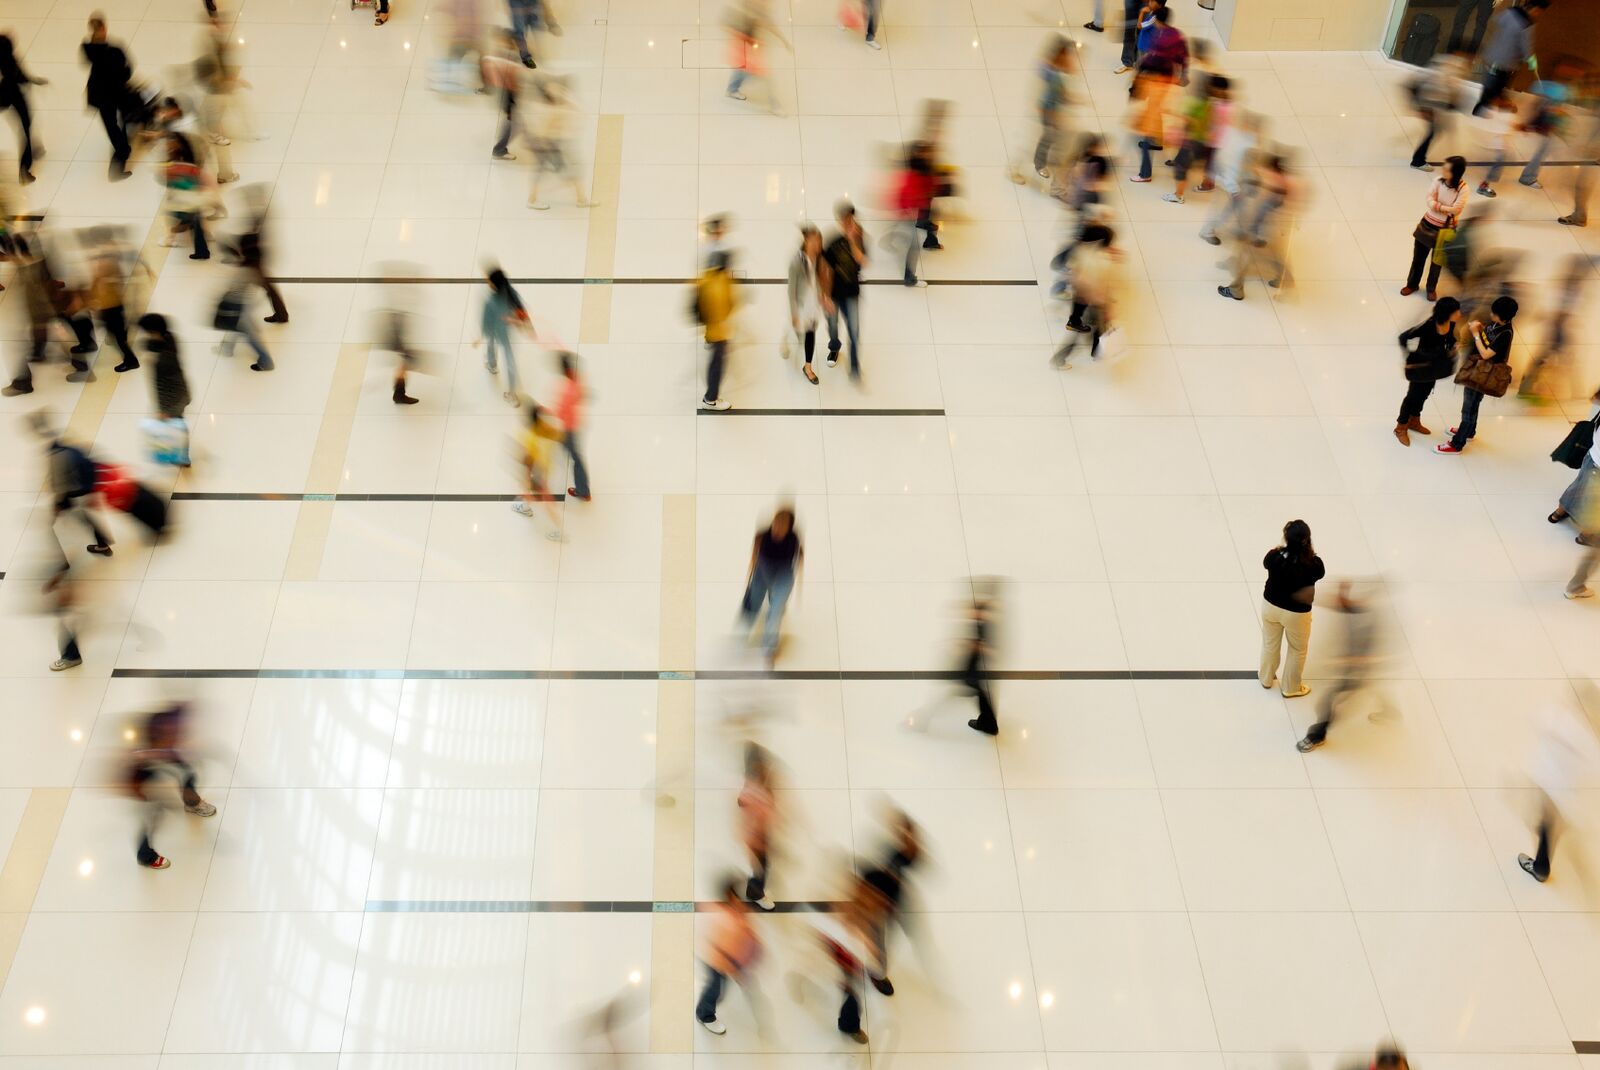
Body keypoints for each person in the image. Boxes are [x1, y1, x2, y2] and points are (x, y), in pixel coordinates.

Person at [1295, 582, 1393, 752]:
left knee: (1328, 699)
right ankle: (1390, 711)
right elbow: (1335, 603)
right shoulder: (1353, 609)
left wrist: (1351, 661)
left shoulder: (1365, 622)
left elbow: (1366, 652)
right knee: (1371, 686)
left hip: (1356, 672)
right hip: (1355, 669)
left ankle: (1317, 735)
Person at [127, 702, 218, 870]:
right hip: (144, 773)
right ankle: (145, 856)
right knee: (149, 816)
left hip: (159, 757)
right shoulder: (144, 755)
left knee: (188, 772)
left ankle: (191, 803)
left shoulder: (170, 722)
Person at [1517, 703, 1600, 880]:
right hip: (1566, 795)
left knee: (1545, 825)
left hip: (1551, 789)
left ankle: (1541, 868)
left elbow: (1539, 719)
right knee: (1548, 824)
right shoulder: (1592, 744)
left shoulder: (1563, 722)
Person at [1437, 294, 1516, 455]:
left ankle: (1457, 444)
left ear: (1502, 316)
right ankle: (1469, 432)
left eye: (1494, 313)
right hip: (1479, 369)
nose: (1491, 315)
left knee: (1469, 408)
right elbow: (1487, 341)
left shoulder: (1505, 333)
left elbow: (1486, 354)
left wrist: (1475, 334)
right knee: (1473, 404)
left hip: (1482, 374)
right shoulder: (1497, 324)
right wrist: (1479, 330)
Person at [30, 414, 113, 559]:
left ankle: (63, 559)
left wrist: (58, 503)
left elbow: (60, 485)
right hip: (85, 487)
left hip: (74, 492)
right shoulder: (71, 449)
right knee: (85, 517)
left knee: (64, 521)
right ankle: (102, 544)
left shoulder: (56, 457)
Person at [1259, 519, 1323, 699]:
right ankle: (1290, 687)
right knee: (1297, 649)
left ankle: (1265, 678)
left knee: (1270, 644)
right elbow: (1320, 573)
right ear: (1307, 540)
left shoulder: (1275, 557)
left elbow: (1266, 562)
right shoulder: (1313, 564)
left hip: (1270, 606)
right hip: (1297, 613)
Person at [695, 877, 762, 1036]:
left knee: (722, 985)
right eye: (739, 898)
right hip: (716, 960)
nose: (744, 903)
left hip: (731, 959)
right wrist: (732, 967)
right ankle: (704, 1015)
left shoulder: (738, 914)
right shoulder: (722, 919)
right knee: (715, 988)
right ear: (730, 897)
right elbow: (718, 949)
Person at [1052, 223, 1122, 368]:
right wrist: (1106, 306)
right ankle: (1060, 359)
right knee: (1085, 333)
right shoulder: (1101, 260)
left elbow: (1075, 273)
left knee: (1091, 328)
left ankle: (1095, 351)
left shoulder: (1081, 250)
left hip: (1080, 295)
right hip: (1093, 299)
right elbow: (1098, 284)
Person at [1394, 296, 1461, 446]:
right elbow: (1403, 337)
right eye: (1456, 311)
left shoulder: (1451, 323)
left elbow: (1449, 338)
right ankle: (1400, 427)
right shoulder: (1429, 325)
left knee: (1424, 394)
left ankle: (1414, 420)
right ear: (1447, 312)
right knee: (1412, 397)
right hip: (1421, 366)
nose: (1459, 314)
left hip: (1434, 367)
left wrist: (1453, 344)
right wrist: (1410, 356)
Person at [1402, 155, 1468, 301]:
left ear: (1455, 173)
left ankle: (1431, 289)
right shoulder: (1438, 181)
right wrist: (1445, 208)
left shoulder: (1463, 189)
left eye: (1447, 169)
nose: (1442, 170)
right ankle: (1412, 284)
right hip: (1428, 224)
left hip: (1445, 230)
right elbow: (1429, 200)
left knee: (1437, 262)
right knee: (1418, 258)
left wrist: (1437, 206)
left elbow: (1456, 209)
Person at [741, 507, 802, 665]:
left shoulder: (794, 539)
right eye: (776, 523)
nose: (778, 528)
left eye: (783, 525)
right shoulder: (762, 535)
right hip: (762, 571)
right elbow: (754, 553)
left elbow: (801, 555)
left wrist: (799, 583)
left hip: (783, 575)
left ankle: (769, 648)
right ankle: (746, 624)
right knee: (753, 601)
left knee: (775, 611)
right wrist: (750, 573)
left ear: (789, 528)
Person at [526, 76, 594, 210]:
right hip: (548, 146)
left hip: (554, 145)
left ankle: (580, 198)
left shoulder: (555, 106)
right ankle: (533, 199)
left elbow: (579, 111)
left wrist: (563, 95)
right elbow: (541, 131)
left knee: (569, 171)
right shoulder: (548, 109)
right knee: (568, 171)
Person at [1474, 0, 1548, 116]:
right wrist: (1532, 62)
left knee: (1491, 87)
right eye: (1539, 12)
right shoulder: (1527, 25)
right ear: (1535, 9)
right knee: (1494, 89)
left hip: (1492, 56)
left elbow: (1497, 20)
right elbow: (1527, 49)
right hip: (1505, 63)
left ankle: (1495, 105)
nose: (1538, 14)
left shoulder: (1510, 12)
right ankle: (1481, 111)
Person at [82, 15, 134, 180]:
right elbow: (126, 71)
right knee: (121, 123)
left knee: (111, 125)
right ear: (104, 27)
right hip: (115, 93)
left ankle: (122, 149)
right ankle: (120, 157)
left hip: (99, 94)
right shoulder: (114, 51)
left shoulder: (87, 48)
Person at [1200, 109, 1262, 245]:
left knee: (1234, 208)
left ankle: (1237, 229)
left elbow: (1247, 164)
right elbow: (1226, 162)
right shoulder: (1243, 143)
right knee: (1222, 210)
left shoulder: (1237, 134)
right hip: (1229, 183)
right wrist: (1233, 188)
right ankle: (1207, 232)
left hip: (1234, 182)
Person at [1166, 74, 1228, 205]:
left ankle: (1178, 195)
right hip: (1200, 140)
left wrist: (1178, 117)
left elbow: (1195, 122)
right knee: (1185, 163)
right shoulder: (1211, 103)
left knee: (1181, 167)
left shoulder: (1205, 104)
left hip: (1194, 140)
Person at [823, 200, 868, 379]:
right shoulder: (832, 242)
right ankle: (834, 347)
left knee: (854, 330)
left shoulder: (859, 237)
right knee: (832, 325)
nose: (848, 222)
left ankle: (854, 364)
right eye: (844, 219)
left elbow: (862, 262)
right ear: (840, 220)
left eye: (850, 219)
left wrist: (852, 241)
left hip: (851, 294)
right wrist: (825, 296)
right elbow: (825, 269)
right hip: (834, 293)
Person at [476, 266, 532, 403]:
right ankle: (511, 393)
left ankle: (492, 365)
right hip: (507, 330)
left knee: (491, 344)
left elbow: (485, 322)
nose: (487, 282)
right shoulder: (509, 290)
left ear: (494, 284)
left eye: (489, 281)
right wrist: (524, 323)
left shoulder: (490, 301)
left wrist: (481, 335)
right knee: (509, 358)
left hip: (495, 330)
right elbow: (520, 308)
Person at [785, 224, 832, 386]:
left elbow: (820, 280)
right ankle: (787, 338)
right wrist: (794, 313)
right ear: (806, 241)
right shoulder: (796, 262)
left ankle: (808, 367)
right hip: (800, 305)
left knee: (810, 333)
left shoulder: (819, 259)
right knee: (798, 333)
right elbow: (791, 290)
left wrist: (824, 298)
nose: (817, 244)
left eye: (819, 241)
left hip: (813, 304)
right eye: (814, 241)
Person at [512, 400, 565, 540]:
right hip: (545, 467)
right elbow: (559, 435)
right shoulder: (545, 428)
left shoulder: (530, 436)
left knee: (544, 498)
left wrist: (526, 478)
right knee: (532, 492)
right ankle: (525, 504)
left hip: (537, 471)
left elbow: (528, 460)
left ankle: (559, 531)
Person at [725, 0, 789, 115]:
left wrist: (783, 40)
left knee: (740, 72)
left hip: (746, 55)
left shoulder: (756, 13)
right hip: (748, 57)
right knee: (766, 79)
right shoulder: (748, 18)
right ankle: (775, 106)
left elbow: (768, 25)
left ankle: (732, 89)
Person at [86, 238, 138, 373]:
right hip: (110, 306)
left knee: (118, 336)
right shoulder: (107, 265)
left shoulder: (108, 267)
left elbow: (102, 283)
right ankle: (120, 336)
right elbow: (96, 282)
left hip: (111, 307)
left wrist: (94, 297)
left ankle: (131, 360)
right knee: (113, 331)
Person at [694, 249, 738, 411]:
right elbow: (725, 308)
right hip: (718, 332)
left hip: (711, 329)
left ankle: (711, 397)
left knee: (716, 362)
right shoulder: (720, 284)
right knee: (717, 365)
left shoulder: (707, 277)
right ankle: (710, 399)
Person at [736, 743, 778, 911]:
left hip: (759, 834)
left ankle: (754, 892)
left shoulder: (754, 787)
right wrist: (756, 840)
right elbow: (750, 816)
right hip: (756, 836)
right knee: (761, 868)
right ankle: (756, 894)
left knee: (762, 867)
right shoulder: (753, 791)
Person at [890, 141, 937, 286]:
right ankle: (909, 278)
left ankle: (930, 241)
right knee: (914, 245)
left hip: (918, 208)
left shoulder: (922, 169)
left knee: (928, 224)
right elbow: (910, 193)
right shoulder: (916, 174)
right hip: (912, 212)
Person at [0, 34, 45, 184]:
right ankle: (24, 168)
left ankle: (35, 148)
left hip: (9, 96)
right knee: (26, 128)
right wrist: (34, 81)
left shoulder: (7, 59)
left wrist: (34, 80)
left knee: (27, 124)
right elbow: (18, 75)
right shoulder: (8, 61)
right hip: (13, 95)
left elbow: (19, 74)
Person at [160, 133, 212, 261]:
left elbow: (190, 179)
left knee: (191, 218)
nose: (168, 147)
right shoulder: (180, 160)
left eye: (170, 145)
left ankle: (198, 247)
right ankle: (201, 248)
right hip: (189, 196)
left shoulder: (179, 163)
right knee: (194, 220)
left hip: (187, 197)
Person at [1032, 35, 1074, 181]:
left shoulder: (1055, 69)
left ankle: (1048, 159)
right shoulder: (1053, 73)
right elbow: (1053, 95)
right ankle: (1039, 164)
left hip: (1053, 108)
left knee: (1054, 134)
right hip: (1049, 110)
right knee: (1048, 136)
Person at [1128, 65, 1176, 184]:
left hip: (1153, 123)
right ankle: (1157, 144)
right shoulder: (1165, 85)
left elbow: (1151, 107)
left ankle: (1145, 175)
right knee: (1149, 143)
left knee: (1146, 148)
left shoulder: (1155, 87)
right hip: (1156, 121)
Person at [554, 351, 590, 501]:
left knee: (576, 457)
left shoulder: (567, 390)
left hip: (569, 428)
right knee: (575, 455)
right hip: (576, 424)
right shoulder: (577, 379)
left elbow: (560, 412)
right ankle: (583, 488)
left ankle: (582, 490)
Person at [962, 586, 999, 735]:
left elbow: (990, 647)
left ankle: (989, 724)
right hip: (979, 663)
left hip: (980, 663)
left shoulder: (988, 623)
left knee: (980, 690)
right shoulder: (986, 621)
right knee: (979, 690)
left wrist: (975, 646)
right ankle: (988, 722)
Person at [484, 29, 521, 161]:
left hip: (509, 94)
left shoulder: (505, 56)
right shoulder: (501, 57)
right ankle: (499, 149)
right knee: (512, 123)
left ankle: (500, 147)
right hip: (506, 94)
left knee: (512, 122)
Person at [1115, 0, 1142, 73]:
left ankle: (1138, 60)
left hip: (1148, 2)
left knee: (1143, 31)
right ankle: (1127, 61)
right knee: (1129, 29)